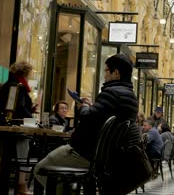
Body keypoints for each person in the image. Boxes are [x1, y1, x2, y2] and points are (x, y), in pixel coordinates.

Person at [34, 53, 139, 187]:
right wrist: (92, 107)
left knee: (40, 169)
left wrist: (82, 107)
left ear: (116, 73)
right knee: (64, 180)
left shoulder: (111, 93)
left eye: (106, 71)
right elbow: (102, 117)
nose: (105, 75)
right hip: (107, 157)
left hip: (86, 154)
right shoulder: (130, 97)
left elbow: (88, 119)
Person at [0, 61, 38, 195]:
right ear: (25, 73)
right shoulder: (17, 85)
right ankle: (21, 183)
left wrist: (29, 109)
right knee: (25, 148)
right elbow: (17, 107)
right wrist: (31, 116)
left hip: (7, 124)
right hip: (15, 126)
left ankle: (17, 183)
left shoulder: (10, 84)